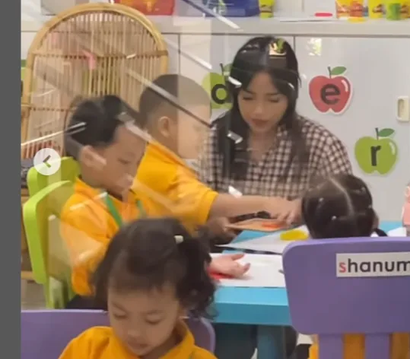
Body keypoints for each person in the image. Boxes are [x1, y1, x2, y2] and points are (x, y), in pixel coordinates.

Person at [60, 95, 249, 308]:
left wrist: (204, 263)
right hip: (106, 311)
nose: (133, 172)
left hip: (141, 298)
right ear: (89, 158)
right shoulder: (80, 213)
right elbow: (113, 276)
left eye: (139, 161)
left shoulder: (135, 198)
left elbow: (164, 244)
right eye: (124, 161)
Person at [134, 74, 300, 240]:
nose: (204, 136)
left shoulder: (164, 163)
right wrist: (266, 203)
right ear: (165, 127)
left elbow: (191, 207)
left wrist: (208, 219)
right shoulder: (160, 172)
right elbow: (211, 202)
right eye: (197, 128)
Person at [199, 36, 352, 203]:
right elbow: (188, 206)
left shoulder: (321, 146)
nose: (259, 111)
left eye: (273, 100)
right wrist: (211, 218)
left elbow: (350, 211)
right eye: (248, 98)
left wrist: (305, 209)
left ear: (290, 97)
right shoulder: (210, 140)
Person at [59, 217, 217, 359]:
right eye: (120, 315)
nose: (133, 332)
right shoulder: (89, 349)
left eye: (152, 320)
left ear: (183, 304)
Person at [301, 173, 410, 359]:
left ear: (311, 233)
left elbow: (315, 336)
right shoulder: (406, 267)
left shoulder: (308, 276)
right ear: (375, 220)